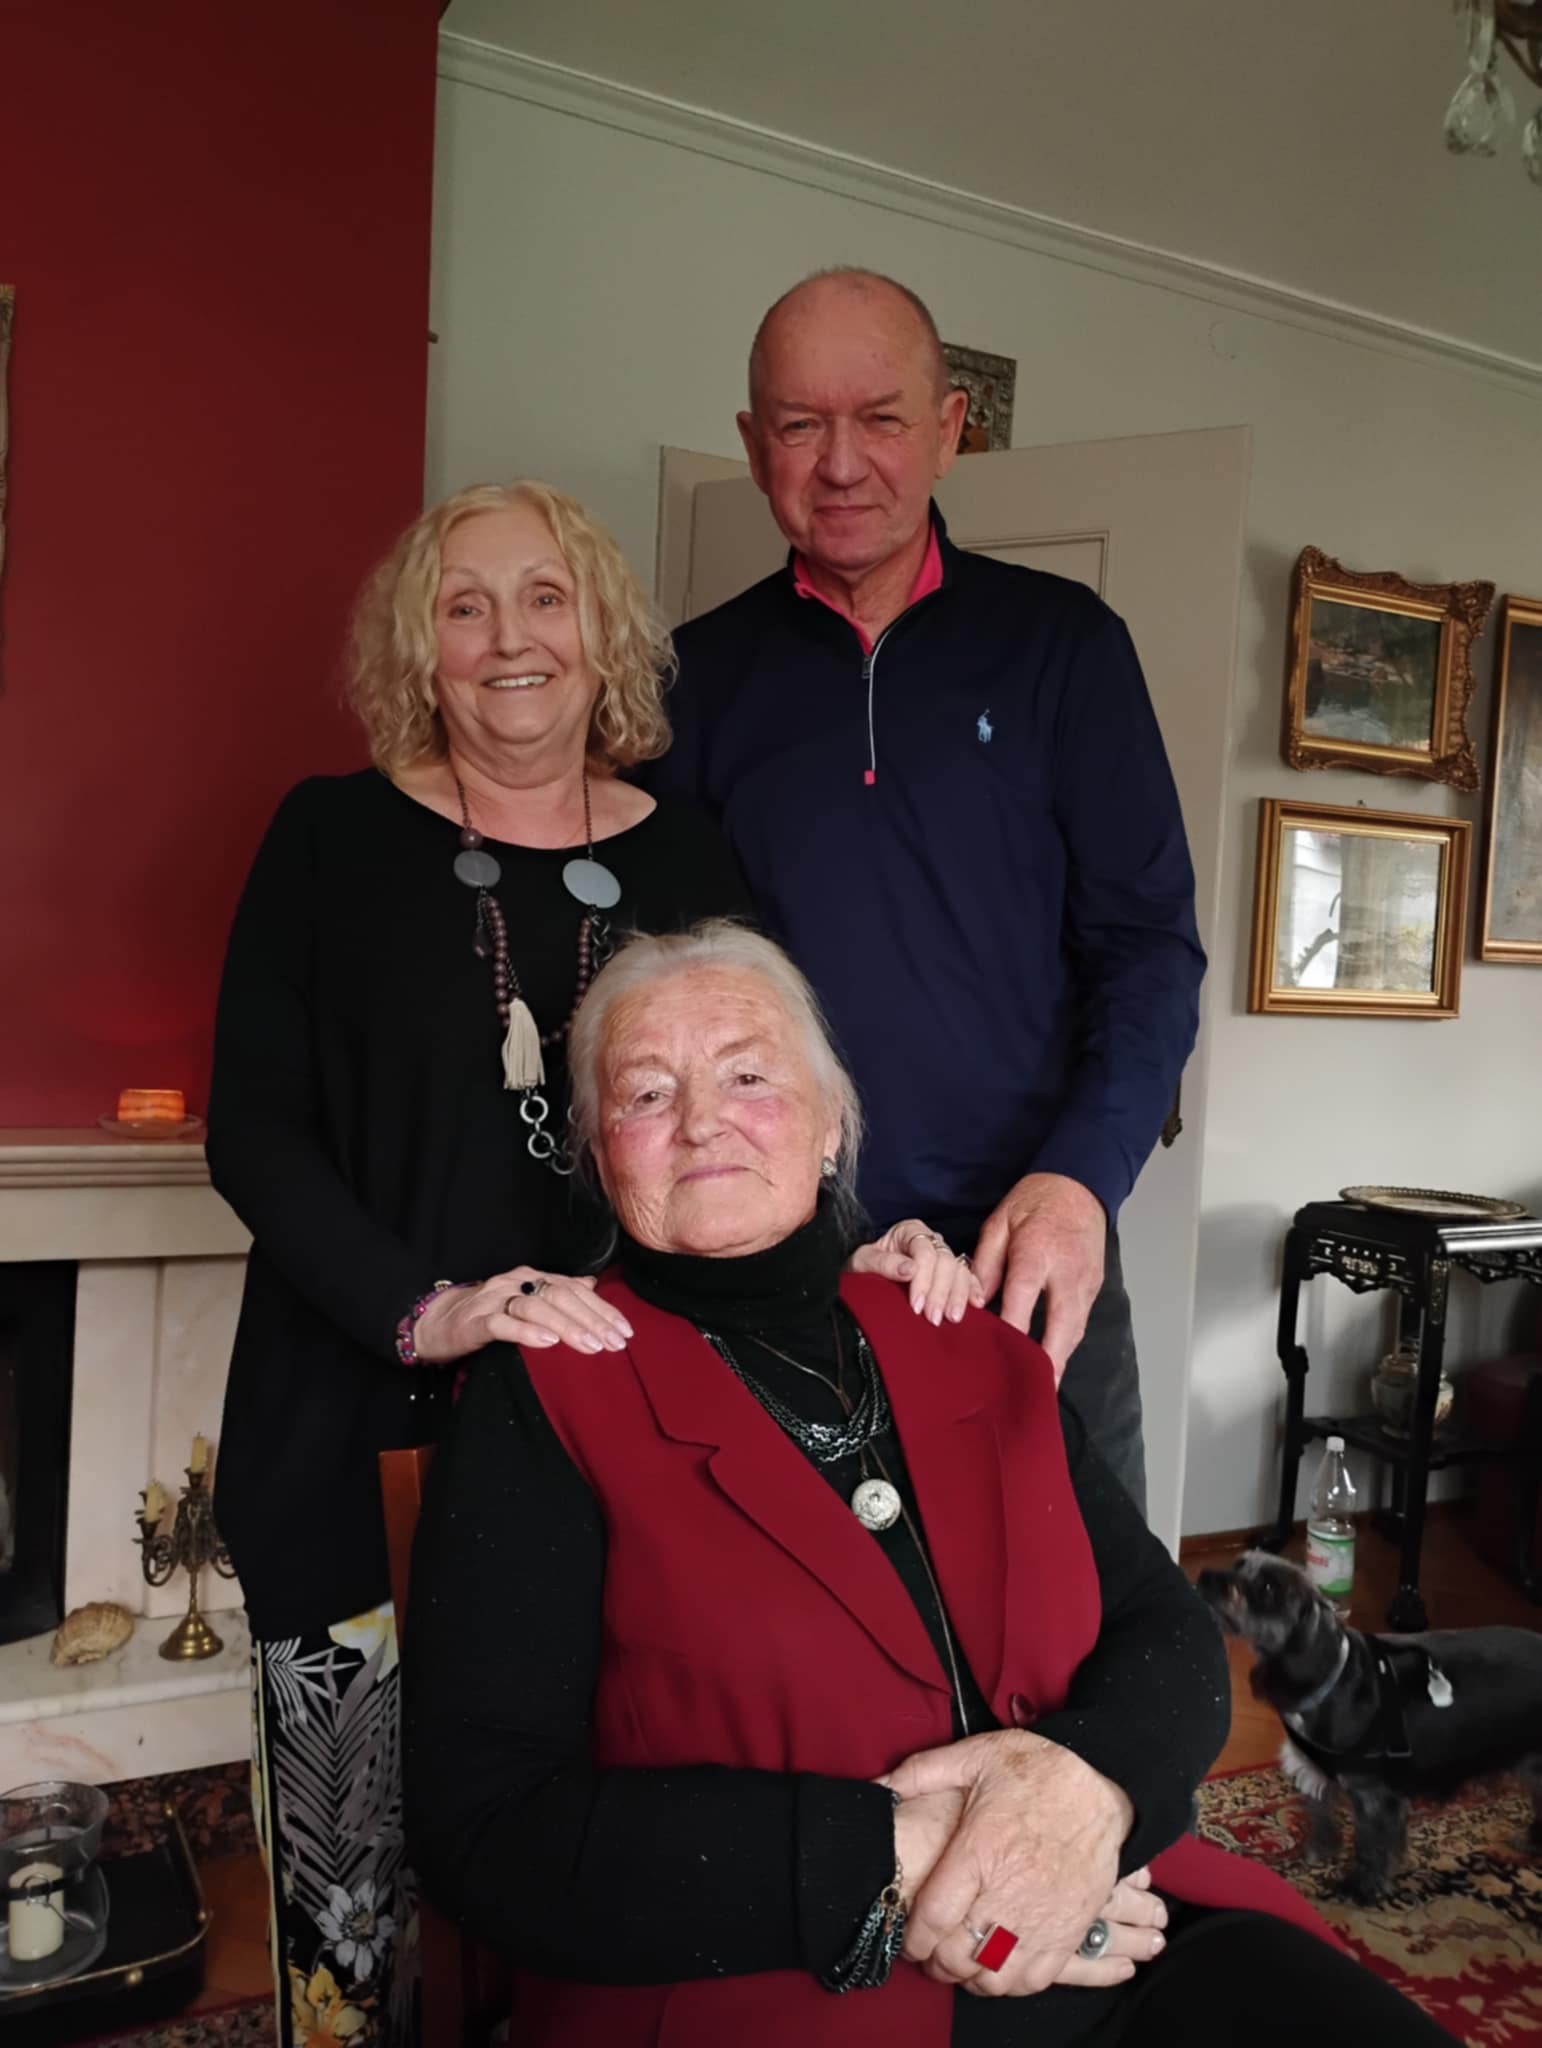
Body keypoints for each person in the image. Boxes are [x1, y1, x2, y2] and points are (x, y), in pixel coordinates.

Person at [207, 482, 967, 2047]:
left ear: (601, 630)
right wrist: (427, 1309)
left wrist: (855, 1247)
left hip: (623, 1446)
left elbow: (744, 1115)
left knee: (596, 1846)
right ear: (418, 647)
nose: (510, 638)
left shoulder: (688, 852)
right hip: (351, 1427)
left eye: (544, 597)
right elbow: (256, 1137)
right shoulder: (326, 836)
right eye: (464, 605)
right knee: (355, 1914)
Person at [402, 921, 1449, 2048]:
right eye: (647, 1093)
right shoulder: (545, 1386)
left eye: (749, 1076)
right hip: (775, 1991)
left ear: (831, 1121)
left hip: (1123, 1915)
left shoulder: (963, 1336)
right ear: (603, 1153)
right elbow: (486, 1831)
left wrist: (1085, 1793)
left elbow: (1164, 1628)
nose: (702, 1119)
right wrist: (920, 1857)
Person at [646, 269, 1208, 1512]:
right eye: (801, 424)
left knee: (1088, 1608)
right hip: (784, 1263)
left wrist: (1083, 1180)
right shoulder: (692, 684)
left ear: (952, 428)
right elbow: (665, 995)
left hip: (1028, 1252)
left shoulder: (1067, 648)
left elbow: (1149, 950)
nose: (843, 463)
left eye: (882, 419)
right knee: (817, 1614)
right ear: (754, 444)